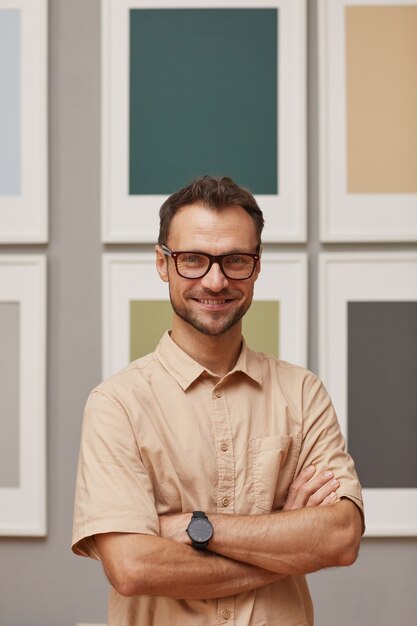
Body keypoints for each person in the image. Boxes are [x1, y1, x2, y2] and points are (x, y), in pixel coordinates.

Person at [72, 175, 364, 626]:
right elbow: (132, 568)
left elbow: (340, 538)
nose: (215, 281)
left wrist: (194, 527)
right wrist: (284, 540)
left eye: (234, 260)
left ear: (258, 264)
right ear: (162, 263)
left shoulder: (303, 393)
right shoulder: (117, 404)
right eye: (193, 260)